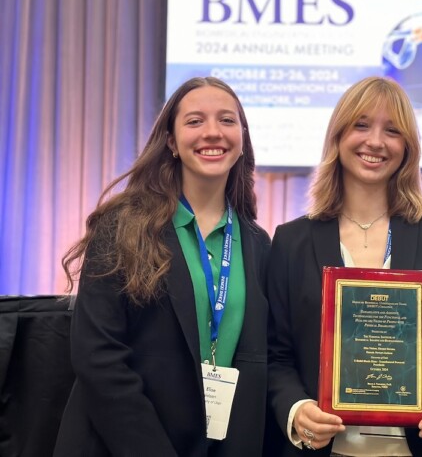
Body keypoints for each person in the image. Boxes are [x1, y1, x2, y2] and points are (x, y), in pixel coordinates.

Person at [54, 77, 271, 456]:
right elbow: (98, 357)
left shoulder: (256, 243)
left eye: (226, 120)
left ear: (242, 139)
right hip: (122, 445)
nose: (212, 133)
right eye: (194, 122)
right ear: (171, 141)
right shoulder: (123, 226)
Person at [265, 76, 422, 456]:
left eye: (392, 130)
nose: (375, 141)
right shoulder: (291, 240)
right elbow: (277, 355)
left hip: (418, 448)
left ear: (407, 147)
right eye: (361, 125)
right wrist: (296, 410)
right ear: (338, 137)